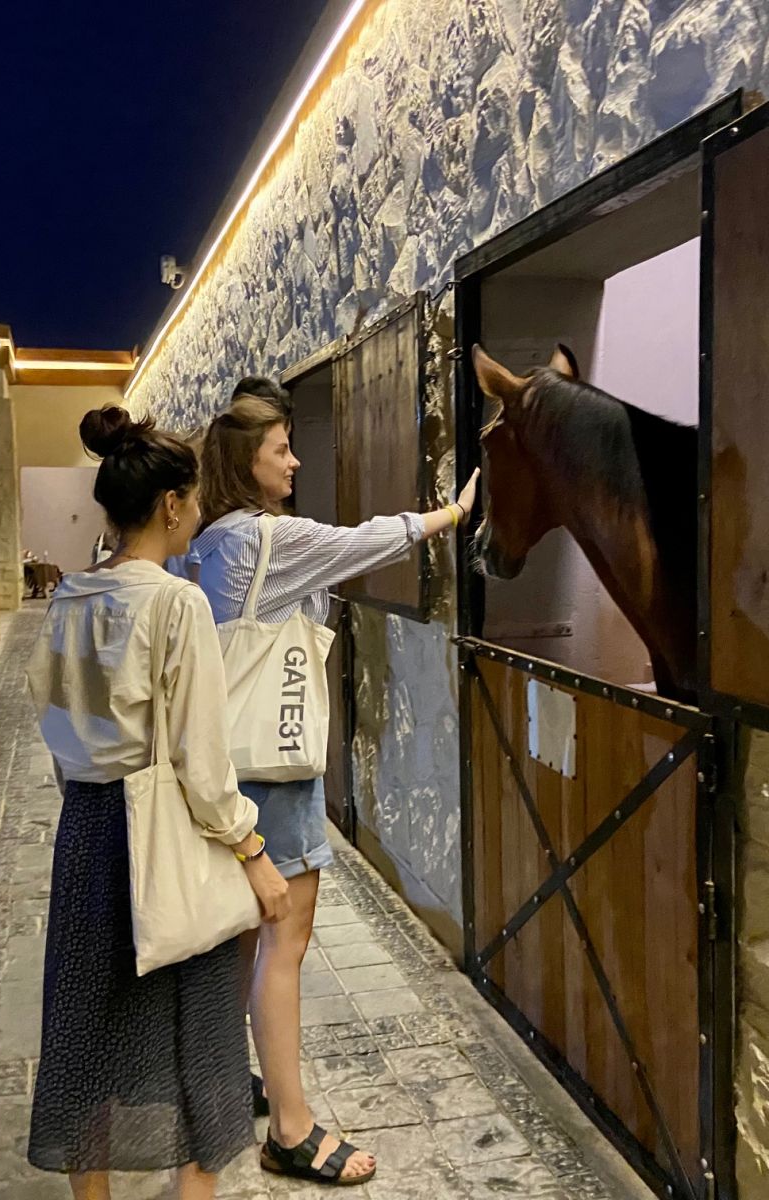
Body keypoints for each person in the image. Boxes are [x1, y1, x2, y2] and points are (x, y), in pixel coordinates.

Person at [194, 394, 479, 1187]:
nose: (294, 462)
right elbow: (366, 542)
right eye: (280, 449)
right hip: (275, 769)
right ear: (247, 462)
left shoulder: (206, 542)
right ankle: (291, 1130)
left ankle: (227, 1080)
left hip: (223, 768)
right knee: (286, 941)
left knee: (243, 937)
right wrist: (453, 514)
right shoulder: (270, 539)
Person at [26, 407, 291, 1200]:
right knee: (200, 1038)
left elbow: (53, 722)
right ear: (171, 505)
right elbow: (202, 765)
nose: (201, 511)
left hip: (86, 831)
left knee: (87, 1034)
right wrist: (253, 854)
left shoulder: (69, 597)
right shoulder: (176, 604)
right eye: (195, 498)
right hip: (162, 834)